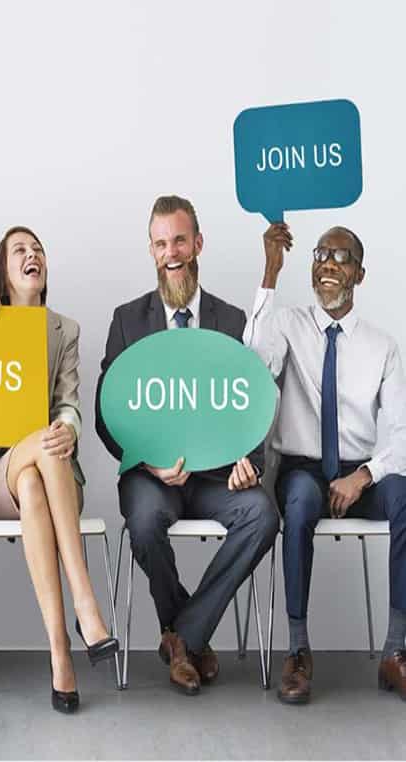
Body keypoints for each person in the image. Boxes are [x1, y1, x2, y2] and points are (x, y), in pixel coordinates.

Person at [95, 195, 279, 695]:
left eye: (179, 240)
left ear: (198, 243)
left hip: (218, 475)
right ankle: (187, 636)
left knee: (263, 513)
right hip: (154, 477)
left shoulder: (232, 320)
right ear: (151, 251)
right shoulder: (128, 321)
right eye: (160, 243)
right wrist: (149, 463)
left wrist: (250, 462)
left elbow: (253, 403)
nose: (171, 252)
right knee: (146, 521)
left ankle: (183, 637)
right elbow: (105, 417)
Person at [246, 223, 406, 704]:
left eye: (341, 256)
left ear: (360, 272)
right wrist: (270, 272)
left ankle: (396, 651)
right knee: (297, 504)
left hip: (360, 471)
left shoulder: (382, 346)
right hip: (303, 470)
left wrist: (364, 476)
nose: (328, 264)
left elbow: (400, 434)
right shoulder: (288, 325)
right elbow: (251, 365)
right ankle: (297, 650)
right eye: (321, 254)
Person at [0, 226, 118, 714]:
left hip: (49, 480)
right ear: (4, 275)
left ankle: (60, 654)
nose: (33, 256)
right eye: (20, 251)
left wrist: (69, 428)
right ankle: (87, 608)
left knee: (42, 466)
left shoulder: (64, 330)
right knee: (34, 462)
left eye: (38, 249)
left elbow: (67, 404)